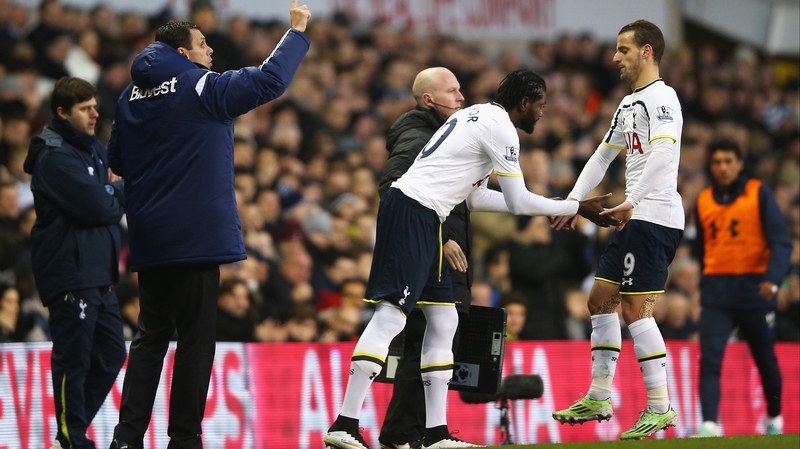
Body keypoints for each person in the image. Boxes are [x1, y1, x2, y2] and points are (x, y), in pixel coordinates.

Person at [324, 68, 618, 449]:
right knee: (390, 316)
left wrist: (560, 208)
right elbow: (517, 199)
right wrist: (573, 206)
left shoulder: (474, 116)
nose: (543, 114)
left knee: (444, 319)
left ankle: (435, 434)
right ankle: (344, 423)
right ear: (524, 103)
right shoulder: (500, 128)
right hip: (412, 211)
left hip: (431, 216)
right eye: (541, 106)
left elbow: (476, 197)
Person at [106, 2, 311, 448]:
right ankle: (184, 439)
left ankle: (125, 439)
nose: (211, 50)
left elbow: (117, 161)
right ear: (182, 52)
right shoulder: (200, 85)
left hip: (149, 237)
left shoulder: (127, 97)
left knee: (151, 337)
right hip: (196, 235)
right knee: (196, 340)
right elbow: (270, 80)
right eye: (202, 44)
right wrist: (295, 32)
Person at [551, 20, 684, 440]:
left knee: (634, 309)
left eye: (623, 50)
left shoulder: (663, 98)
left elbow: (664, 152)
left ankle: (661, 406)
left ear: (646, 52)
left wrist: (632, 200)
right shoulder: (628, 105)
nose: (615, 57)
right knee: (599, 300)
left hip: (653, 214)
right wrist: (574, 200)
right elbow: (602, 155)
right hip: (634, 214)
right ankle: (598, 395)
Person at [23, 76, 126, 449]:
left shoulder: (93, 148)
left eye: (95, 106)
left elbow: (105, 200)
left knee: (113, 353)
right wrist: (116, 191)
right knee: (74, 360)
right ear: (63, 113)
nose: (94, 113)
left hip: (100, 272)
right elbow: (99, 207)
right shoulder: (54, 156)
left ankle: (71, 431)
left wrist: (110, 193)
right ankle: (71, 438)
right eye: (85, 108)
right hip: (70, 273)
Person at [377, 67, 468, 449]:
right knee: (426, 344)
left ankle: (412, 434)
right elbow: (391, 187)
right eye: (452, 91)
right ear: (429, 100)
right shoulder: (418, 137)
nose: (461, 97)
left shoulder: (439, 133)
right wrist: (439, 239)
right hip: (431, 258)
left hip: (435, 255)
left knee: (430, 344)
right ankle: (405, 435)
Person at [691, 139, 791, 437]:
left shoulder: (759, 193)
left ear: (740, 164)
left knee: (765, 360)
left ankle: (774, 417)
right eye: (717, 162)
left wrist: (772, 280)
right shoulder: (703, 200)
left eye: (728, 161)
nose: (722, 167)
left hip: (754, 291)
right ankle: (709, 424)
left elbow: (781, 241)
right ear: (711, 166)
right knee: (710, 358)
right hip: (717, 293)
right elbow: (701, 249)